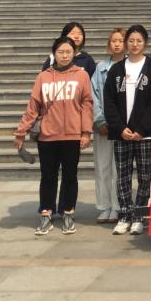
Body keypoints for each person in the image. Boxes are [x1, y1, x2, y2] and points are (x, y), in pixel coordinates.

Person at [15, 36, 93, 236]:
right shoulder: (43, 77)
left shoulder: (81, 75)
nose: (65, 55)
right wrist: (21, 131)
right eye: (61, 52)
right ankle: (46, 214)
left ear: (74, 53)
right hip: (47, 136)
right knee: (48, 177)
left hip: (72, 136)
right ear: (54, 54)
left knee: (70, 176)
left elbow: (87, 104)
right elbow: (33, 107)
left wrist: (86, 132)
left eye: (68, 52)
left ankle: (68, 213)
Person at [103, 24, 151, 236]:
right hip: (122, 134)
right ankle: (125, 215)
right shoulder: (116, 69)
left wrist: (141, 128)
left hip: (146, 134)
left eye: (139, 40)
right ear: (126, 43)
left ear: (145, 43)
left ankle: (139, 216)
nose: (135, 44)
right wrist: (120, 128)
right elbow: (109, 101)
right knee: (123, 175)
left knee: (145, 176)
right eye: (131, 40)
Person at [91, 28, 124, 223]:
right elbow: (93, 95)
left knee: (120, 169)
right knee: (103, 166)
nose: (117, 44)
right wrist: (99, 120)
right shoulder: (101, 67)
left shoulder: (131, 66)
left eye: (121, 40)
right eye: (114, 41)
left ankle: (118, 206)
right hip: (103, 126)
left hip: (123, 127)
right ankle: (104, 206)